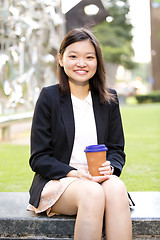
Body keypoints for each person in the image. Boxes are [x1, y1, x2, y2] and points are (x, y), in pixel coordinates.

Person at [28, 28, 133, 240]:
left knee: (116, 188)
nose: (81, 63)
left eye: (89, 57)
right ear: (60, 59)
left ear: (97, 61)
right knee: (92, 193)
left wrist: (110, 166)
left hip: (98, 178)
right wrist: (74, 173)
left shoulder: (109, 99)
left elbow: (116, 150)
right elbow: (39, 158)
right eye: (73, 56)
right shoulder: (49, 97)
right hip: (61, 180)